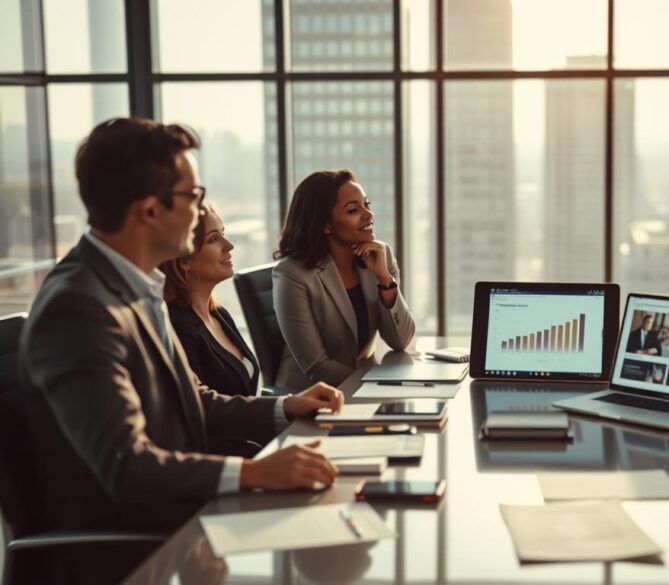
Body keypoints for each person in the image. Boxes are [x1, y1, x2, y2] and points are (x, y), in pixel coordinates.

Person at [16, 118, 343, 583]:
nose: (198, 210)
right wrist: (254, 474)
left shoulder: (135, 288)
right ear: (150, 210)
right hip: (134, 555)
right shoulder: (78, 308)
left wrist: (286, 407)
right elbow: (128, 466)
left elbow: (194, 403)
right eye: (192, 195)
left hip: (182, 527)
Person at [272, 168, 415, 388]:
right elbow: (317, 367)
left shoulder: (381, 255)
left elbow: (400, 341)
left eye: (367, 205)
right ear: (324, 224)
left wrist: (384, 280)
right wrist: (374, 384)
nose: (368, 215)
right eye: (353, 210)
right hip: (309, 395)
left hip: (360, 388)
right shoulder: (292, 274)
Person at [161, 202, 259, 399]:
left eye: (223, 233)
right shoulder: (177, 326)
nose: (229, 245)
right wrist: (284, 406)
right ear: (183, 260)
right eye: (213, 239)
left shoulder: (219, 314)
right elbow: (198, 406)